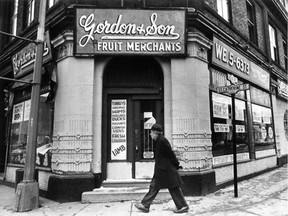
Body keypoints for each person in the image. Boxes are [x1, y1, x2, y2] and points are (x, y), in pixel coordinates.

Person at [135, 123, 189, 214]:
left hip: (165, 170)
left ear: (155, 133)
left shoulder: (162, 141)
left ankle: (145, 205)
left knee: (160, 186)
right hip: (163, 169)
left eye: (151, 132)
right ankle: (182, 206)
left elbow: (171, 154)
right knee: (163, 186)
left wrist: (177, 164)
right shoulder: (159, 141)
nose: (150, 134)